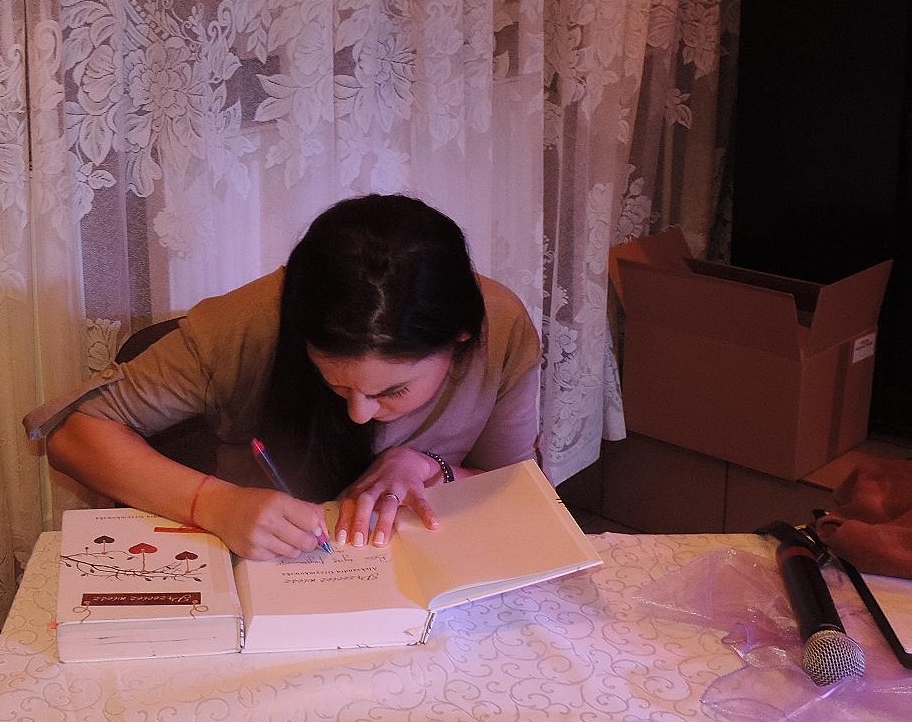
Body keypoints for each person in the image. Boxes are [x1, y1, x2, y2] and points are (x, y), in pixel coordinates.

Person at [27, 194, 542, 560]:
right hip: (275, 570)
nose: (359, 413)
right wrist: (215, 504)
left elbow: (521, 486)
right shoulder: (249, 322)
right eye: (337, 384)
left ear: (459, 340)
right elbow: (73, 434)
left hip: (433, 567)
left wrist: (431, 468)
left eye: (392, 391)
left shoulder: (499, 325)